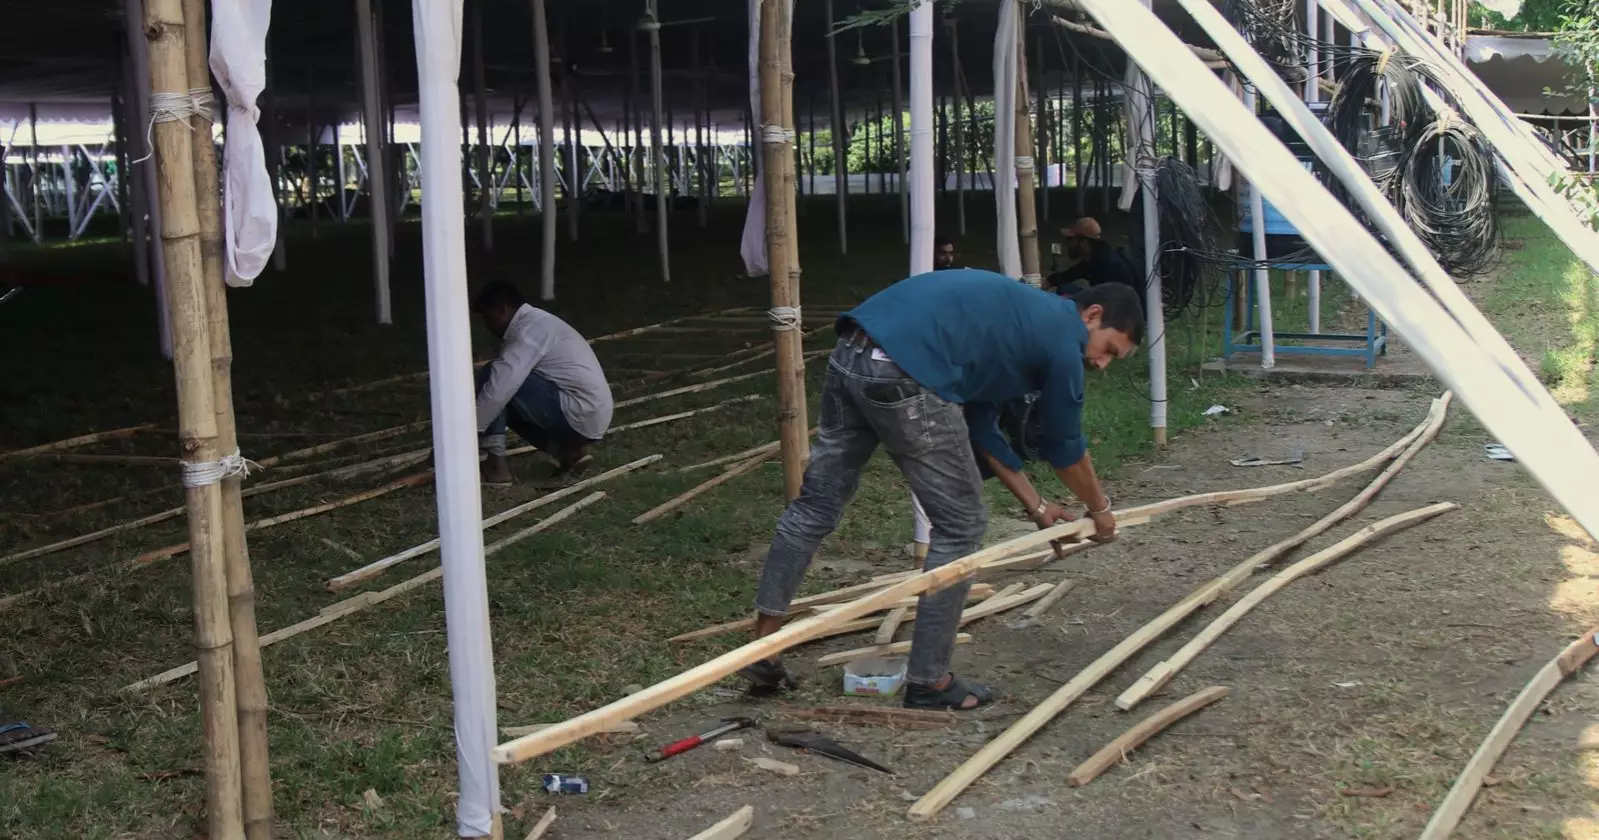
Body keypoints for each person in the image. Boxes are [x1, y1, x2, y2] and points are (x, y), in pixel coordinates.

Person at [741, 270, 1142, 710]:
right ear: (1093, 315)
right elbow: (1064, 448)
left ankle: (763, 649)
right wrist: (1100, 510)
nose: (1102, 364)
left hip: (852, 351)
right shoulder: (1063, 340)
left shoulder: (1022, 321)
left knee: (815, 505)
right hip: (906, 371)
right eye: (1109, 350)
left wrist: (1039, 506)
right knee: (961, 526)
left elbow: (979, 423)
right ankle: (928, 681)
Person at [473, 281, 614, 485]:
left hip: (577, 411)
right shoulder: (541, 322)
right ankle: (572, 452)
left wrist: (466, 434)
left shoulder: (529, 330)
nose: (487, 326)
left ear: (503, 309)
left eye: (488, 318)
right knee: (505, 393)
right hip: (592, 415)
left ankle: (496, 466)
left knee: (494, 377)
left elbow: (499, 388)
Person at [1047, 217, 1142, 302]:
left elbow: (1108, 300)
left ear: (1084, 242)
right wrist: (1050, 281)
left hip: (1118, 310)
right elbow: (1074, 272)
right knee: (1064, 288)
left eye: (1070, 239)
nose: (1066, 243)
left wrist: (1073, 299)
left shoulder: (1110, 265)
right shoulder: (1095, 257)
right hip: (1105, 300)